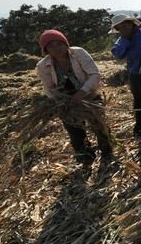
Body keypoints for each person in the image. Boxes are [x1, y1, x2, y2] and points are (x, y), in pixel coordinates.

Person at [36, 29, 113, 163]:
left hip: (88, 94)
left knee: (99, 124)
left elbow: (94, 74)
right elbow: (49, 88)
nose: (57, 48)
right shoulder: (43, 66)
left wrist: (81, 93)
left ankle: (106, 150)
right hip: (66, 100)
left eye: (59, 44)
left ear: (66, 43)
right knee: (74, 129)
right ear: (46, 49)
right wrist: (61, 101)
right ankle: (84, 155)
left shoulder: (78, 53)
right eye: (51, 46)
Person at [110, 14, 141, 136]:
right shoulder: (121, 40)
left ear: (132, 23)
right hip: (135, 75)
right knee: (139, 101)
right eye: (120, 27)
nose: (124, 28)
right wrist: (125, 40)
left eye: (126, 25)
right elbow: (118, 55)